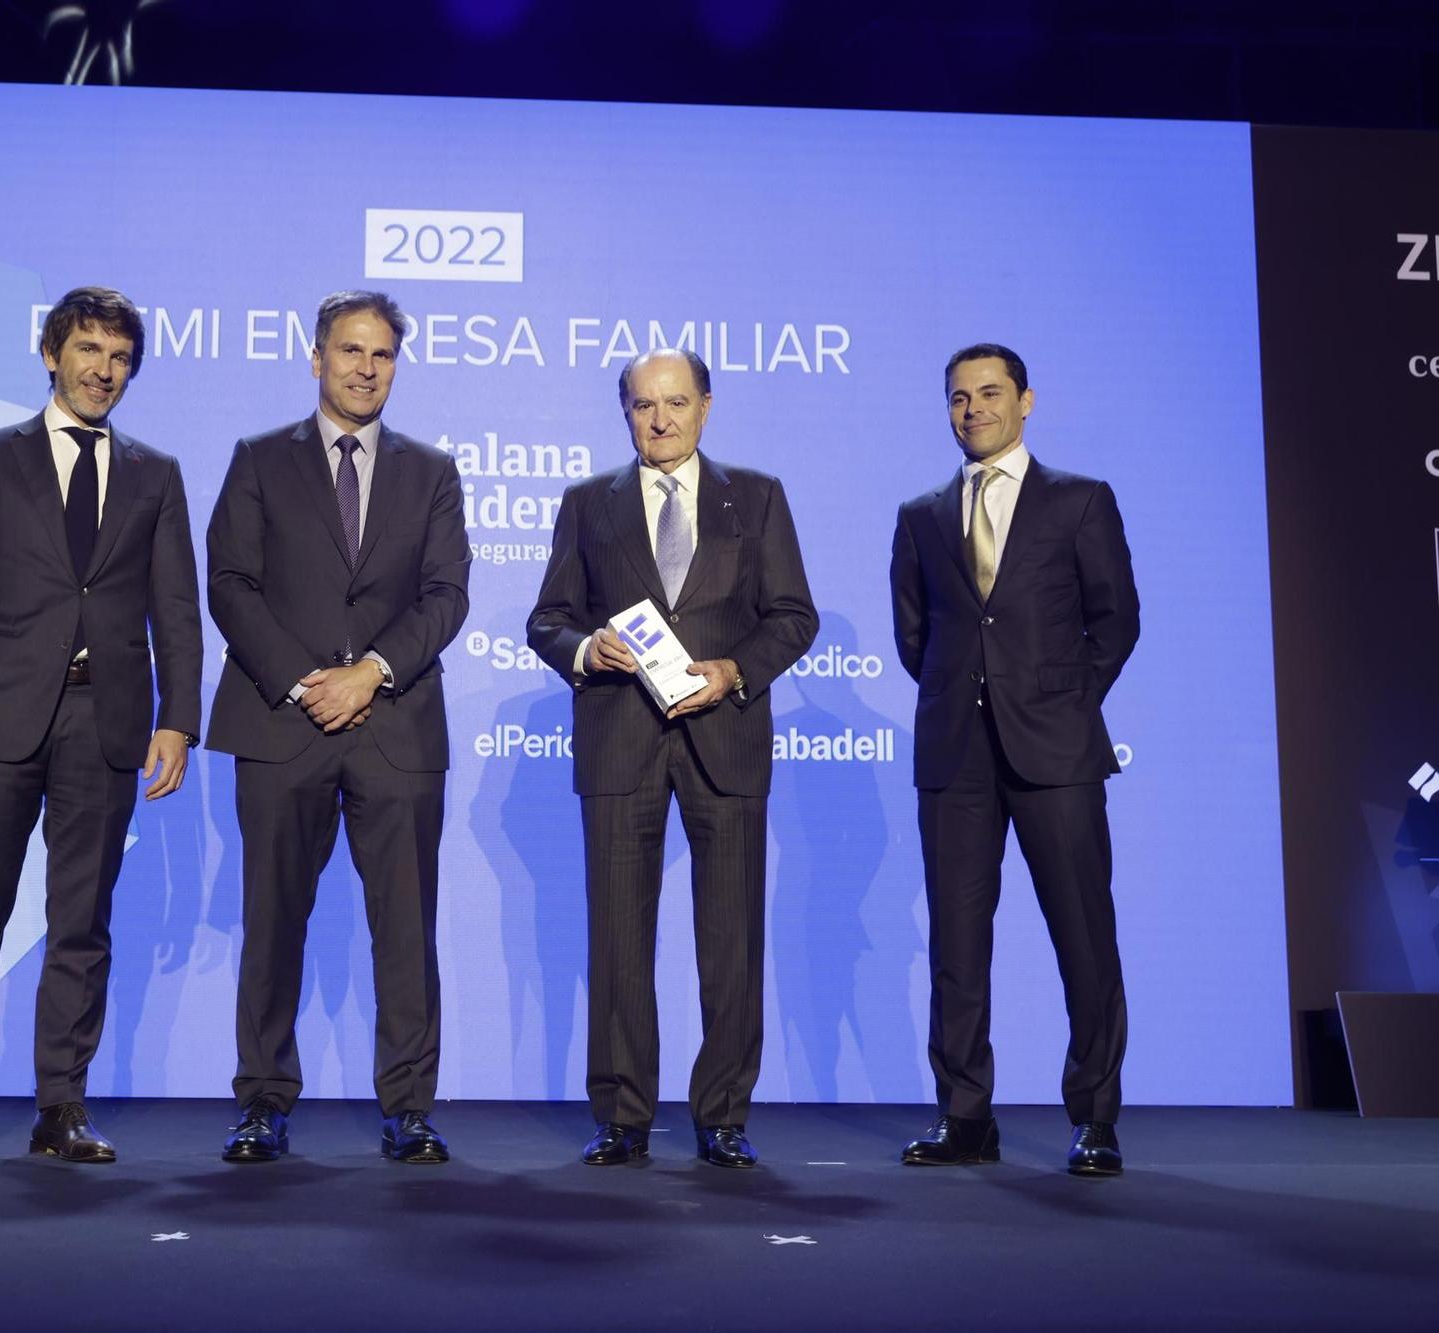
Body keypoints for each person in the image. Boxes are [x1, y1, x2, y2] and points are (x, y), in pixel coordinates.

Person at [0, 286, 202, 1166]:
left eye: (118, 358)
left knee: (82, 921)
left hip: (107, 722)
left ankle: (60, 1108)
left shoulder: (156, 473)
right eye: (87, 351)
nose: (102, 370)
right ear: (51, 353)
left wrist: (178, 720)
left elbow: (177, 612)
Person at [526, 347, 817, 1169]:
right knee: (618, 940)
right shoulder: (589, 503)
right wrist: (588, 649)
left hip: (724, 741)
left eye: (676, 403)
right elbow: (547, 619)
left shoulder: (756, 497)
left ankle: (723, 1116)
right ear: (625, 411)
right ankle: (622, 1116)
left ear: (706, 406)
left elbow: (793, 616)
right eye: (643, 405)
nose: (660, 420)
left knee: (731, 941)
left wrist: (735, 671)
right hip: (622, 740)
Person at [205, 290, 470, 1164]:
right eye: (351, 351)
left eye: (383, 354)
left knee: (406, 928)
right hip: (283, 726)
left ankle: (409, 1107)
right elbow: (231, 584)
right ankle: (262, 1101)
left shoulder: (431, 471)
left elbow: (446, 597)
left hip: (396, 727)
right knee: (273, 921)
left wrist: (371, 672)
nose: (366, 368)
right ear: (316, 357)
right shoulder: (256, 459)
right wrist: (300, 681)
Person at [888, 343, 1138, 1177]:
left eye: (989, 393)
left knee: (1083, 935)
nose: (973, 409)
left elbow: (1117, 619)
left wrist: (1064, 701)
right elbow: (915, 637)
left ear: (1026, 400)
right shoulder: (921, 514)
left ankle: (1095, 1117)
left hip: (1057, 752)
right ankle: (966, 1116)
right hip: (955, 755)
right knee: (958, 944)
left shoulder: (1079, 500)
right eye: (958, 397)